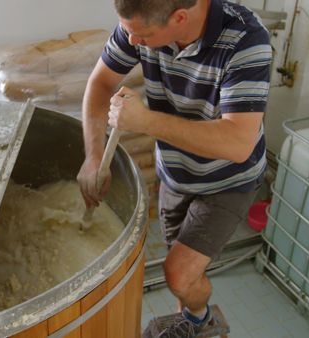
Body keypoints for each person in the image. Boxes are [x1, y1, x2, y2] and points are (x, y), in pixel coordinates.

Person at [77, 0, 271, 336]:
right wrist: (93, 156)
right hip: (175, 173)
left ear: (180, 17)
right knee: (182, 271)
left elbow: (237, 143)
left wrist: (145, 121)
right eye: (128, 32)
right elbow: (100, 84)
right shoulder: (139, 24)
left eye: (143, 35)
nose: (133, 41)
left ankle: (201, 319)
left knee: (178, 274)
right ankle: (191, 320)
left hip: (227, 180)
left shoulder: (245, 39)